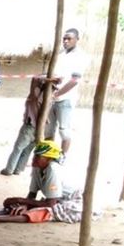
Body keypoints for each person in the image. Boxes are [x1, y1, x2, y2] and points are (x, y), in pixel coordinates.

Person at [0, 141, 89, 224]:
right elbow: (32, 194)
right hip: (58, 200)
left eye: (38, 157)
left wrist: (23, 201)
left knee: (46, 212)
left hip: (79, 202)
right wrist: (24, 204)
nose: (34, 159)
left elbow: (51, 204)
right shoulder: (37, 167)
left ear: (49, 159)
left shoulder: (53, 169)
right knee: (18, 208)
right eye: (35, 156)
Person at [46, 28, 88, 156]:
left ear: (77, 39)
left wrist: (57, 94)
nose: (66, 41)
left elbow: (74, 80)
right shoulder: (60, 55)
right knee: (48, 130)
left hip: (66, 99)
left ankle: (62, 156)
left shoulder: (81, 57)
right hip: (52, 97)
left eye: (69, 38)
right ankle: (48, 155)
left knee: (64, 130)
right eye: (64, 38)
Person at [1, 75, 46, 175]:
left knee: (18, 148)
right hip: (41, 129)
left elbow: (34, 79)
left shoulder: (35, 95)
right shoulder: (49, 97)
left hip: (30, 126)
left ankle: (9, 169)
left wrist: (43, 79)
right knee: (27, 150)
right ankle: (18, 169)